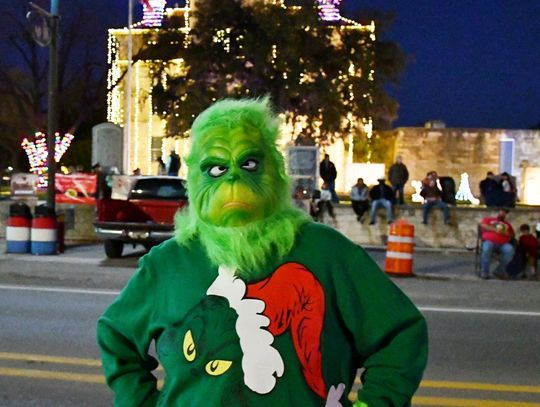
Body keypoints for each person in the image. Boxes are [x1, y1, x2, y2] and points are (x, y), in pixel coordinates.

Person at [97, 98, 427, 406]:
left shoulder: (327, 252)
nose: (234, 179)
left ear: (275, 168)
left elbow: (400, 334)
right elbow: (117, 336)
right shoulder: (169, 262)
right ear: (195, 176)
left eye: (249, 163)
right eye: (216, 168)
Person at [478, 208, 515, 280]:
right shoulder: (489, 219)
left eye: (505, 213)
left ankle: (499, 270)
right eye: (502, 212)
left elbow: (512, 235)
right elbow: (482, 225)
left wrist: (506, 233)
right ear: (498, 212)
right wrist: (496, 230)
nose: (503, 214)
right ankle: (484, 272)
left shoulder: (507, 224)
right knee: (486, 249)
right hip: (489, 240)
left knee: (510, 250)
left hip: (503, 243)